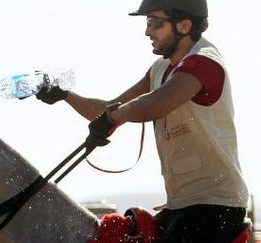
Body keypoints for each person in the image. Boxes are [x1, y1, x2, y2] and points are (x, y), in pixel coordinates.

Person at [35, 0, 249, 241]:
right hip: (181, 206)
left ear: (184, 25)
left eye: (155, 23)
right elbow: (109, 108)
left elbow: (154, 105)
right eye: (148, 23)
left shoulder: (203, 61)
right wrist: (65, 95)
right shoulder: (159, 69)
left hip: (216, 205)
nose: (147, 31)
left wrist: (112, 117)